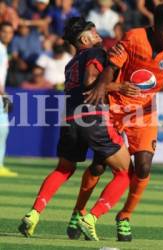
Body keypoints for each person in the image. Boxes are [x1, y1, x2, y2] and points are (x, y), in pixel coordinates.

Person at [67, 3, 163, 242]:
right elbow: (111, 68)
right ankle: (78, 211)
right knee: (99, 166)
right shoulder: (134, 37)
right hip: (115, 107)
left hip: (144, 113)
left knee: (144, 166)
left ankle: (124, 217)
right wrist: (102, 86)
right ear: (155, 27)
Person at [18, 17, 131, 241]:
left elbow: (80, 85)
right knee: (125, 173)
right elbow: (91, 79)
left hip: (70, 119)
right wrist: (117, 86)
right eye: (94, 31)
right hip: (94, 118)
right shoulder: (96, 53)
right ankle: (91, 218)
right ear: (84, 38)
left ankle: (34, 213)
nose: (98, 35)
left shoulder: (71, 64)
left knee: (63, 170)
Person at [0, 22, 17, 177]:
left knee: (3, 130)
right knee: (2, 130)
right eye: (4, 31)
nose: (7, 34)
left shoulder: (4, 49)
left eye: (10, 32)